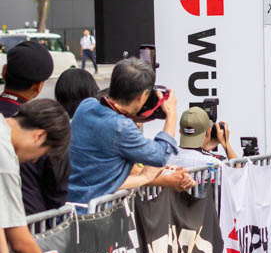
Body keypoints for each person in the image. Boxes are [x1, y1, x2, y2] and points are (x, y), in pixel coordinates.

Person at [67, 58, 193, 204]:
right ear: (141, 97)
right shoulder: (121, 127)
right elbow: (159, 156)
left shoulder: (86, 106)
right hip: (96, 215)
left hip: (72, 205)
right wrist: (171, 114)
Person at [1, 99, 72, 253]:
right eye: (43, 152)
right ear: (39, 136)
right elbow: (20, 240)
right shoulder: (4, 159)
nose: (34, 161)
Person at [0, 41, 69, 214]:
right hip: (34, 223)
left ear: (3, 71)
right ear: (38, 87)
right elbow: (57, 189)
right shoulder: (44, 123)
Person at [169, 107, 238, 169]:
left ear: (180, 131)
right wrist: (225, 144)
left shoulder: (167, 157)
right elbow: (238, 172)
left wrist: (202, 149)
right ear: (208, 132)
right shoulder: (213, 163)